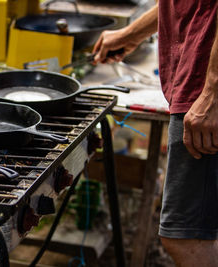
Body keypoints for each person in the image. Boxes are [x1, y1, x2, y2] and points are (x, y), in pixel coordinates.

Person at [92, 1, 218, 266]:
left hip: (202, 91)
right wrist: (131, 34)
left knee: (187, 239)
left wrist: (213, 94)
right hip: (197, 83)